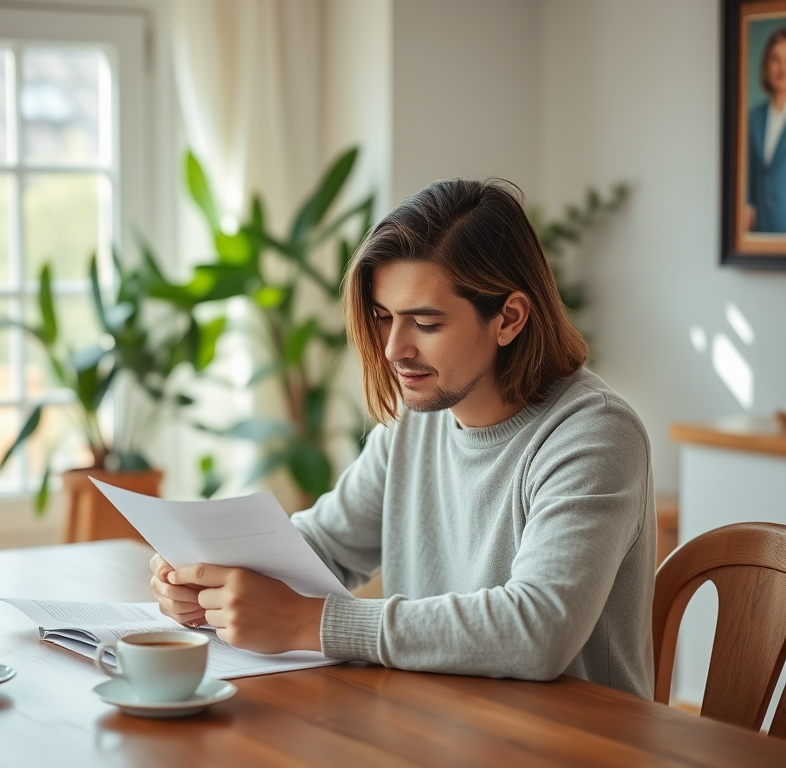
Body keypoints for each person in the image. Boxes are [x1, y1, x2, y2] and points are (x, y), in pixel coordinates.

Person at [150, 178, 656, 699]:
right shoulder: (418, 419)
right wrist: (210, 576)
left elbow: (539, 629)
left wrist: (311, 623)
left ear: (509, 318)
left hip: (572, 742)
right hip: (438, 720)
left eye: (426, 323)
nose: (393, 349)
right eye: (384, 318)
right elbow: (324, 546)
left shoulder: (594, 435)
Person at [748, 27, 786, 233]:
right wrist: (746, 205)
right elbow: (748, 170)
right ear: (766, 65)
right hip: (759, 228)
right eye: (776, 60)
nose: (782, 69)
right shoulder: (755, 116)